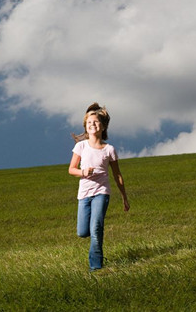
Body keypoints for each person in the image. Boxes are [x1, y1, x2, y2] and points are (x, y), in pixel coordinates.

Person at [68, 104, 130, 271]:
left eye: (95, 122)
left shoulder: (109, 150)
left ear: (103, 126)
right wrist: (83, 172)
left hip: (102, 192)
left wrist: (124, 197)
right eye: (89, 123)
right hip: (84, 194)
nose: (92, 125)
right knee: (82, 232)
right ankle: (95, 242)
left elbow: (117, 175)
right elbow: (71, 169)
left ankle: (96, 267)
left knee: (96, 227)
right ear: (85, 127)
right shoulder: (81, 146)